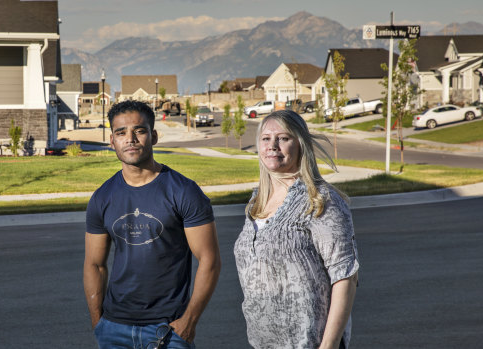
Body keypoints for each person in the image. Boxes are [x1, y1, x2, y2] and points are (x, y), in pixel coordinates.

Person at [84, 100, 221, 349]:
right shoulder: (102, 197)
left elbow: (210, 260)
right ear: (112, 141)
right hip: (114, 329)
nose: (131, 139)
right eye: (121, 132)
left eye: (139, 130)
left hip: (167, 331)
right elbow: (95, 264)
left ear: (154, 136)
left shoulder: (184, 192)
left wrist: (189, 321)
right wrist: (99, 323)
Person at [233, 110, 359, 349]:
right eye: (266, 138)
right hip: (263, 343)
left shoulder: (321, 200)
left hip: (310, 342)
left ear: (300, 144)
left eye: (283, 138)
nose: (273, 145)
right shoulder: (255, 203)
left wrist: (329, 345)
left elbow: (345, 276)